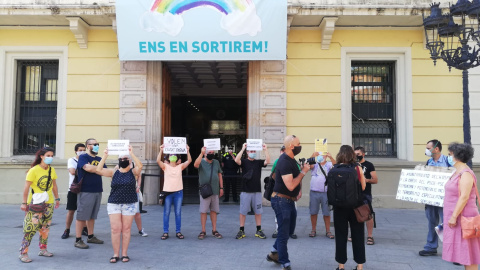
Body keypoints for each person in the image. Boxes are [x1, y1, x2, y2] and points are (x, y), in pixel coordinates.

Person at [266, 135, 310, 270]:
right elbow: (290, 185)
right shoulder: (284, 161)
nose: (300, 146)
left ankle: (274, 251)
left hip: (289, 200)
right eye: (298, 143)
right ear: (291, 146)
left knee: (289, 230)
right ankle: (285, 262)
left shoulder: (291, 160)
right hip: (281, 201)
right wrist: (303, 172)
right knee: (284, 233)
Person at [96, 145, 143, 263]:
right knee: (115, 229)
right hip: (114, 203)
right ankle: (116, 254)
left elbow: (140, 166)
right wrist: (105, 155)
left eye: (125, 158)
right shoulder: (113, 172)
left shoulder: (133, 172)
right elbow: (98, 170)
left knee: (126, 229)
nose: (123, 160)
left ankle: (125, 254)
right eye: (121, 159)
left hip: (130, 203)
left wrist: (131, 154)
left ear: (129, 161)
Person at [19, 147, 60, 263]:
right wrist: (24, 203)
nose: (50, 158)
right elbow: (26, 187)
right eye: (48, 155)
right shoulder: (34, 170)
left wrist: (57, 198)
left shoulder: (52, 170)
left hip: (49, 203)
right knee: (30, 229)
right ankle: (23, 252)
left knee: (45, 228)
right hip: (35, 203)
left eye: (52, 156)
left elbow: (54, 185)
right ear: (41, 156)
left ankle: (43, 249)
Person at [443, 143, 480, 269]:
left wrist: (453, 216)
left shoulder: (466, 174)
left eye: (449, 154)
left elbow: (464, 197)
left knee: (469, 254)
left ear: (456, 156)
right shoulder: (457, 172)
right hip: (458, 217)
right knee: (464, 253)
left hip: (464, 218)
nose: (448, 157)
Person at [333, 145, 366, 270]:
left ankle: (341, 266)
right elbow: (363, 187)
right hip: (356, 206)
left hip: (339, 207)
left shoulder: (335, 168)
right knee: (358, 235)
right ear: (353, 155)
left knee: (341, 235)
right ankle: (359, 266)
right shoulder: (358, 168)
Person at [74, 138, 106, 249]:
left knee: (92, 215)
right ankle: (78, 239)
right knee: (82, 215)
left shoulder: (99, 158)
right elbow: (87, 168)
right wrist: (97, 168)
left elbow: (104, 171)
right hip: (85, 190)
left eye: (98, 144)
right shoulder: (83, 157)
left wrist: (95, 168)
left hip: (97, 189)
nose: (97, 146)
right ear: (88, 146)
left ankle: (90, 236)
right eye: (94, 144)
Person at [419, 139, 449, 256]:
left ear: (436, 149)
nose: (426, 150)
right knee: (432, 223)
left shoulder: (448, 161)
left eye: (428, 148)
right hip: (431, 199)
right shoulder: (428, 162)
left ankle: (450, 249)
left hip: (445, 199)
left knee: (446, 223)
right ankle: (431, 247)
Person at [234, 142, 270, 239]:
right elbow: (237, 160)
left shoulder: (258, 162)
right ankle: (241, 230)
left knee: (258, 212)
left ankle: (259, 230)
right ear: (247, 152)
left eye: (254, 151)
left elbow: (268, 161)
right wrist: (242, 148)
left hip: (257, 191)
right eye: (251, 151)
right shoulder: (244, 162)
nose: (252, 152)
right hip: (245, 191)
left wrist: (265, 149)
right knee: (243, 211)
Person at [157, 145, 192, 240]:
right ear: (168, 158)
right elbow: (158, 161)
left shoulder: (180, 167)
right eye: (171, 155)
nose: (173, 156)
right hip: (168, 193)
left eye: (174, 155)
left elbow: (189, 161)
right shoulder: (165, 167)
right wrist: (161, 150)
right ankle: (165, 232)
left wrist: (188, 150)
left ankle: (178, 231)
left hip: (178, 193)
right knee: (166, 212)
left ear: (177, 158)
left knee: (178, 212)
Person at [194, 147, 224, 240]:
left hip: (215, 190)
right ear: (205, 153)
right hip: (205, 191)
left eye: (212, 152)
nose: (211, 153)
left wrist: (221, 188)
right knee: (203, 211)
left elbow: (219, 174)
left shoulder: (216, 162)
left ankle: (214, 230)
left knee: (214, 210)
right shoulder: (201, 161)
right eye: (209, 152)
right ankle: (203, 230)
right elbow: (195, 164)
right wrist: (201, 153)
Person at [309, 151, 336, 239]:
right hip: (314, 192)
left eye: (323, 154)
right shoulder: (315, 164)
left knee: (326, 212)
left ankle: (328, 230)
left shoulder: (328, 164)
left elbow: (336, 167)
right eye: (320, 154)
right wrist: (313, 156)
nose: (321, 156)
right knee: (313, 212)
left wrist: (331, 157)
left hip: (326, 193)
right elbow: (309, 165)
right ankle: (313, 229)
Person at [61, 143, 86, 239]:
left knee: (84, 211)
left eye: (84, 150)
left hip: (85, 189)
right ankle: (67, 229)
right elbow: (72, 171)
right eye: (80, 150)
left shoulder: (86, 160)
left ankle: (84, 229)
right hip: (73, 189)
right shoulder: (72, 160)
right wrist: (85, 168)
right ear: (76, 151)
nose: (82, 152)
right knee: (71, 210)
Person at [354, 146, 377, 245]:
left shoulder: (369, 165)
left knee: (368, 214)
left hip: (365, 193)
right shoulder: (352, 165)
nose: (356, 156)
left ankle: (370, 236)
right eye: (354, 154)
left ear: (363, 154)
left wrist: (365, 180)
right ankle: (354, 234)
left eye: (358, 154)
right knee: (354, 214)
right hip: (354, 193)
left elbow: (375, 180)